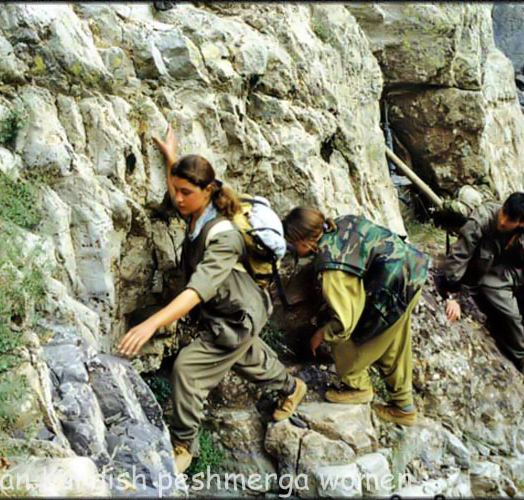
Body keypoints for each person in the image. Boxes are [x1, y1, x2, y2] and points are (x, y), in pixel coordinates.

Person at [118, 124, 305, 474]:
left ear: (206, 192)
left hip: (238, 315)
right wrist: (172, 156)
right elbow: (185, 184)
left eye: (186, 192)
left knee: (189, 368)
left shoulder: (223, 237)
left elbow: (196, 291)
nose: (178, 199)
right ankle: (292, 388)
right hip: (228, 310)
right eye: (175, 190)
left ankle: (183, 446)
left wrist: (151, 324)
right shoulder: (196, 208)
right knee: (246, 356)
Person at [283, 207, 429, 426]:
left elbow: (344, 322)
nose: (292, 249)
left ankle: (357, 387)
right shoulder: (340, 223)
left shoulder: (331, 265)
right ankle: (403, 407)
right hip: (412, 271)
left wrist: (322, 333)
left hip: (392, 290)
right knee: (393, 343)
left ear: (305, 242)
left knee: (349, 340)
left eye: (292, 244)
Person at [441, 192, 524, 388]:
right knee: (510, 314)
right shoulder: (481, 221)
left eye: (509, 220)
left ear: (521, 222)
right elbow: (458, 257)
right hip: (484, 273)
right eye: (503, 214)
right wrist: (451, 295)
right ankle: (523, 359)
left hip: (511, 269)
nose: (502, 221)